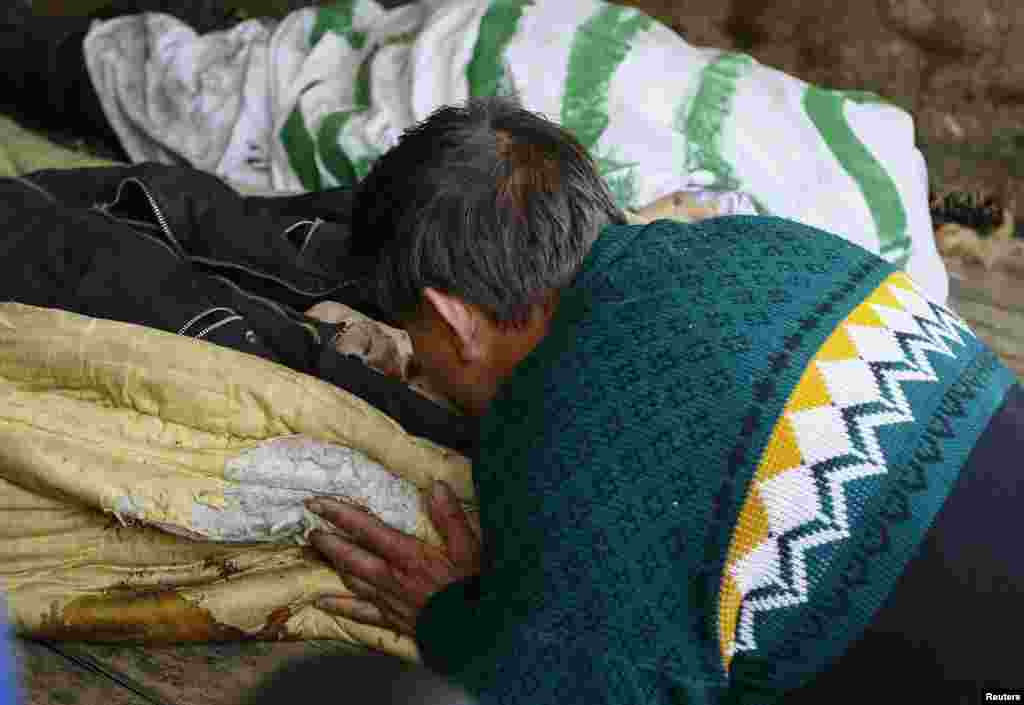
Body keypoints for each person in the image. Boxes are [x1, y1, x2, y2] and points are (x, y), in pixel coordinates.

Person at [296, 96, 1024, 704]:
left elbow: (584, 685)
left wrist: (452, 622)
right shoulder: (759, 241)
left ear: (454, 320)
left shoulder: (556, 430)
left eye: (416, 339)